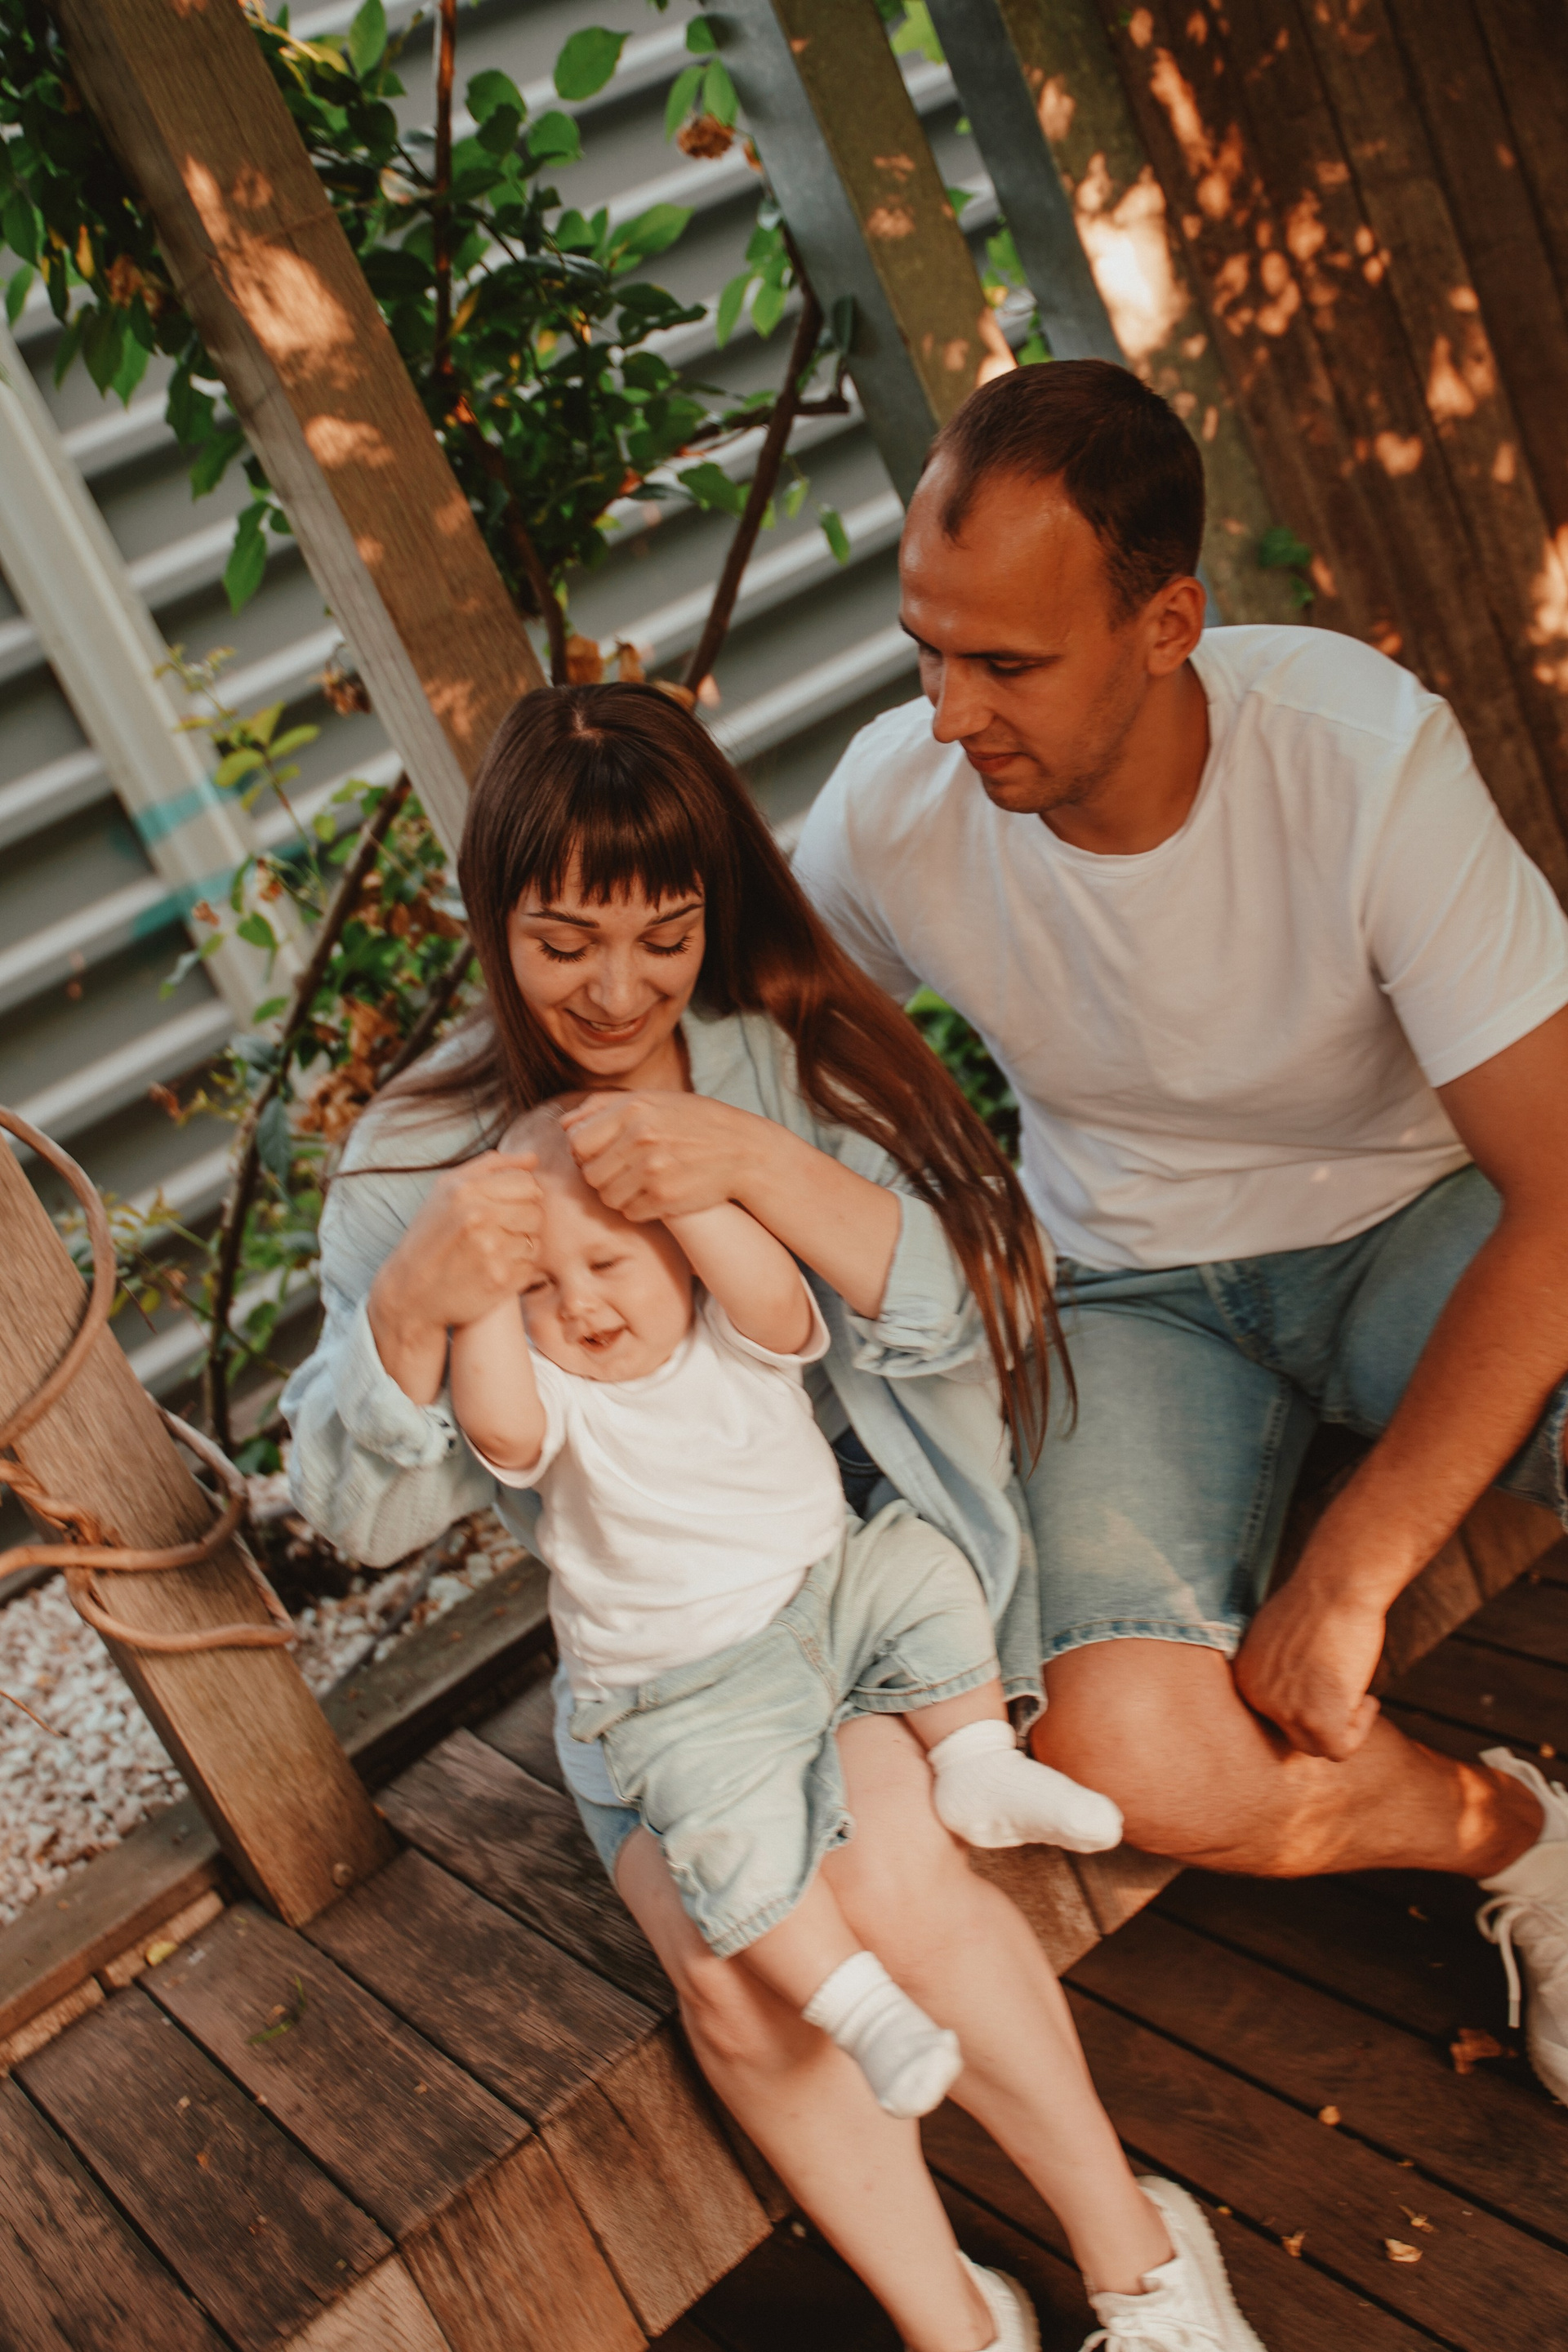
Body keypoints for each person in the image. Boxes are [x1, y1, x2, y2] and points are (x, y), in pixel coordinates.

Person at [283, 684, 1270, 2352]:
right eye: (563, 943)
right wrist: (409, 1312)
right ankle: (961, 2327)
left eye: (663, 937)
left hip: (872, 1567)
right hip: (664, 1644)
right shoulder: (416, 1167)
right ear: (492, 920)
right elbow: (356, 1517)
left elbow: (977, 1311)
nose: (618, 992)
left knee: (882, 1869)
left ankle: (1140, 2263)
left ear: (710, 908)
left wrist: (750, 1165)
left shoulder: (780, 1043)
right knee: (735, 1979)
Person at [794, 356, 1568, 2106]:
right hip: (1132, 1295)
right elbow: (763, 1062)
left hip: (1410, 1223)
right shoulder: (894, 807)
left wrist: (1353, 1570)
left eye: (1005, 664)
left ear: (1166, 626)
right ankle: (1526, 1841)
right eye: (925, 651)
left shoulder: (1359, 755)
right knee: (1130, 1760)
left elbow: (1561, 1187)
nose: (949, 712)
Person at [446, 1100, 1120, 2123]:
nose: (579, 1304)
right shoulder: (557, 1397)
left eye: (608, 1262)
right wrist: (485, 1288)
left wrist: (681, 1192)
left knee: (923, 1568)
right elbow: (497, 1425)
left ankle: (977, 1760)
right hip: (690, 1689)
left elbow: (762, 1285)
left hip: (830, 1588)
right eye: (539, 1286)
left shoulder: (736, 1333)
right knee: (727, 1844)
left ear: (680, 1254)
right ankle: (865, 2013)